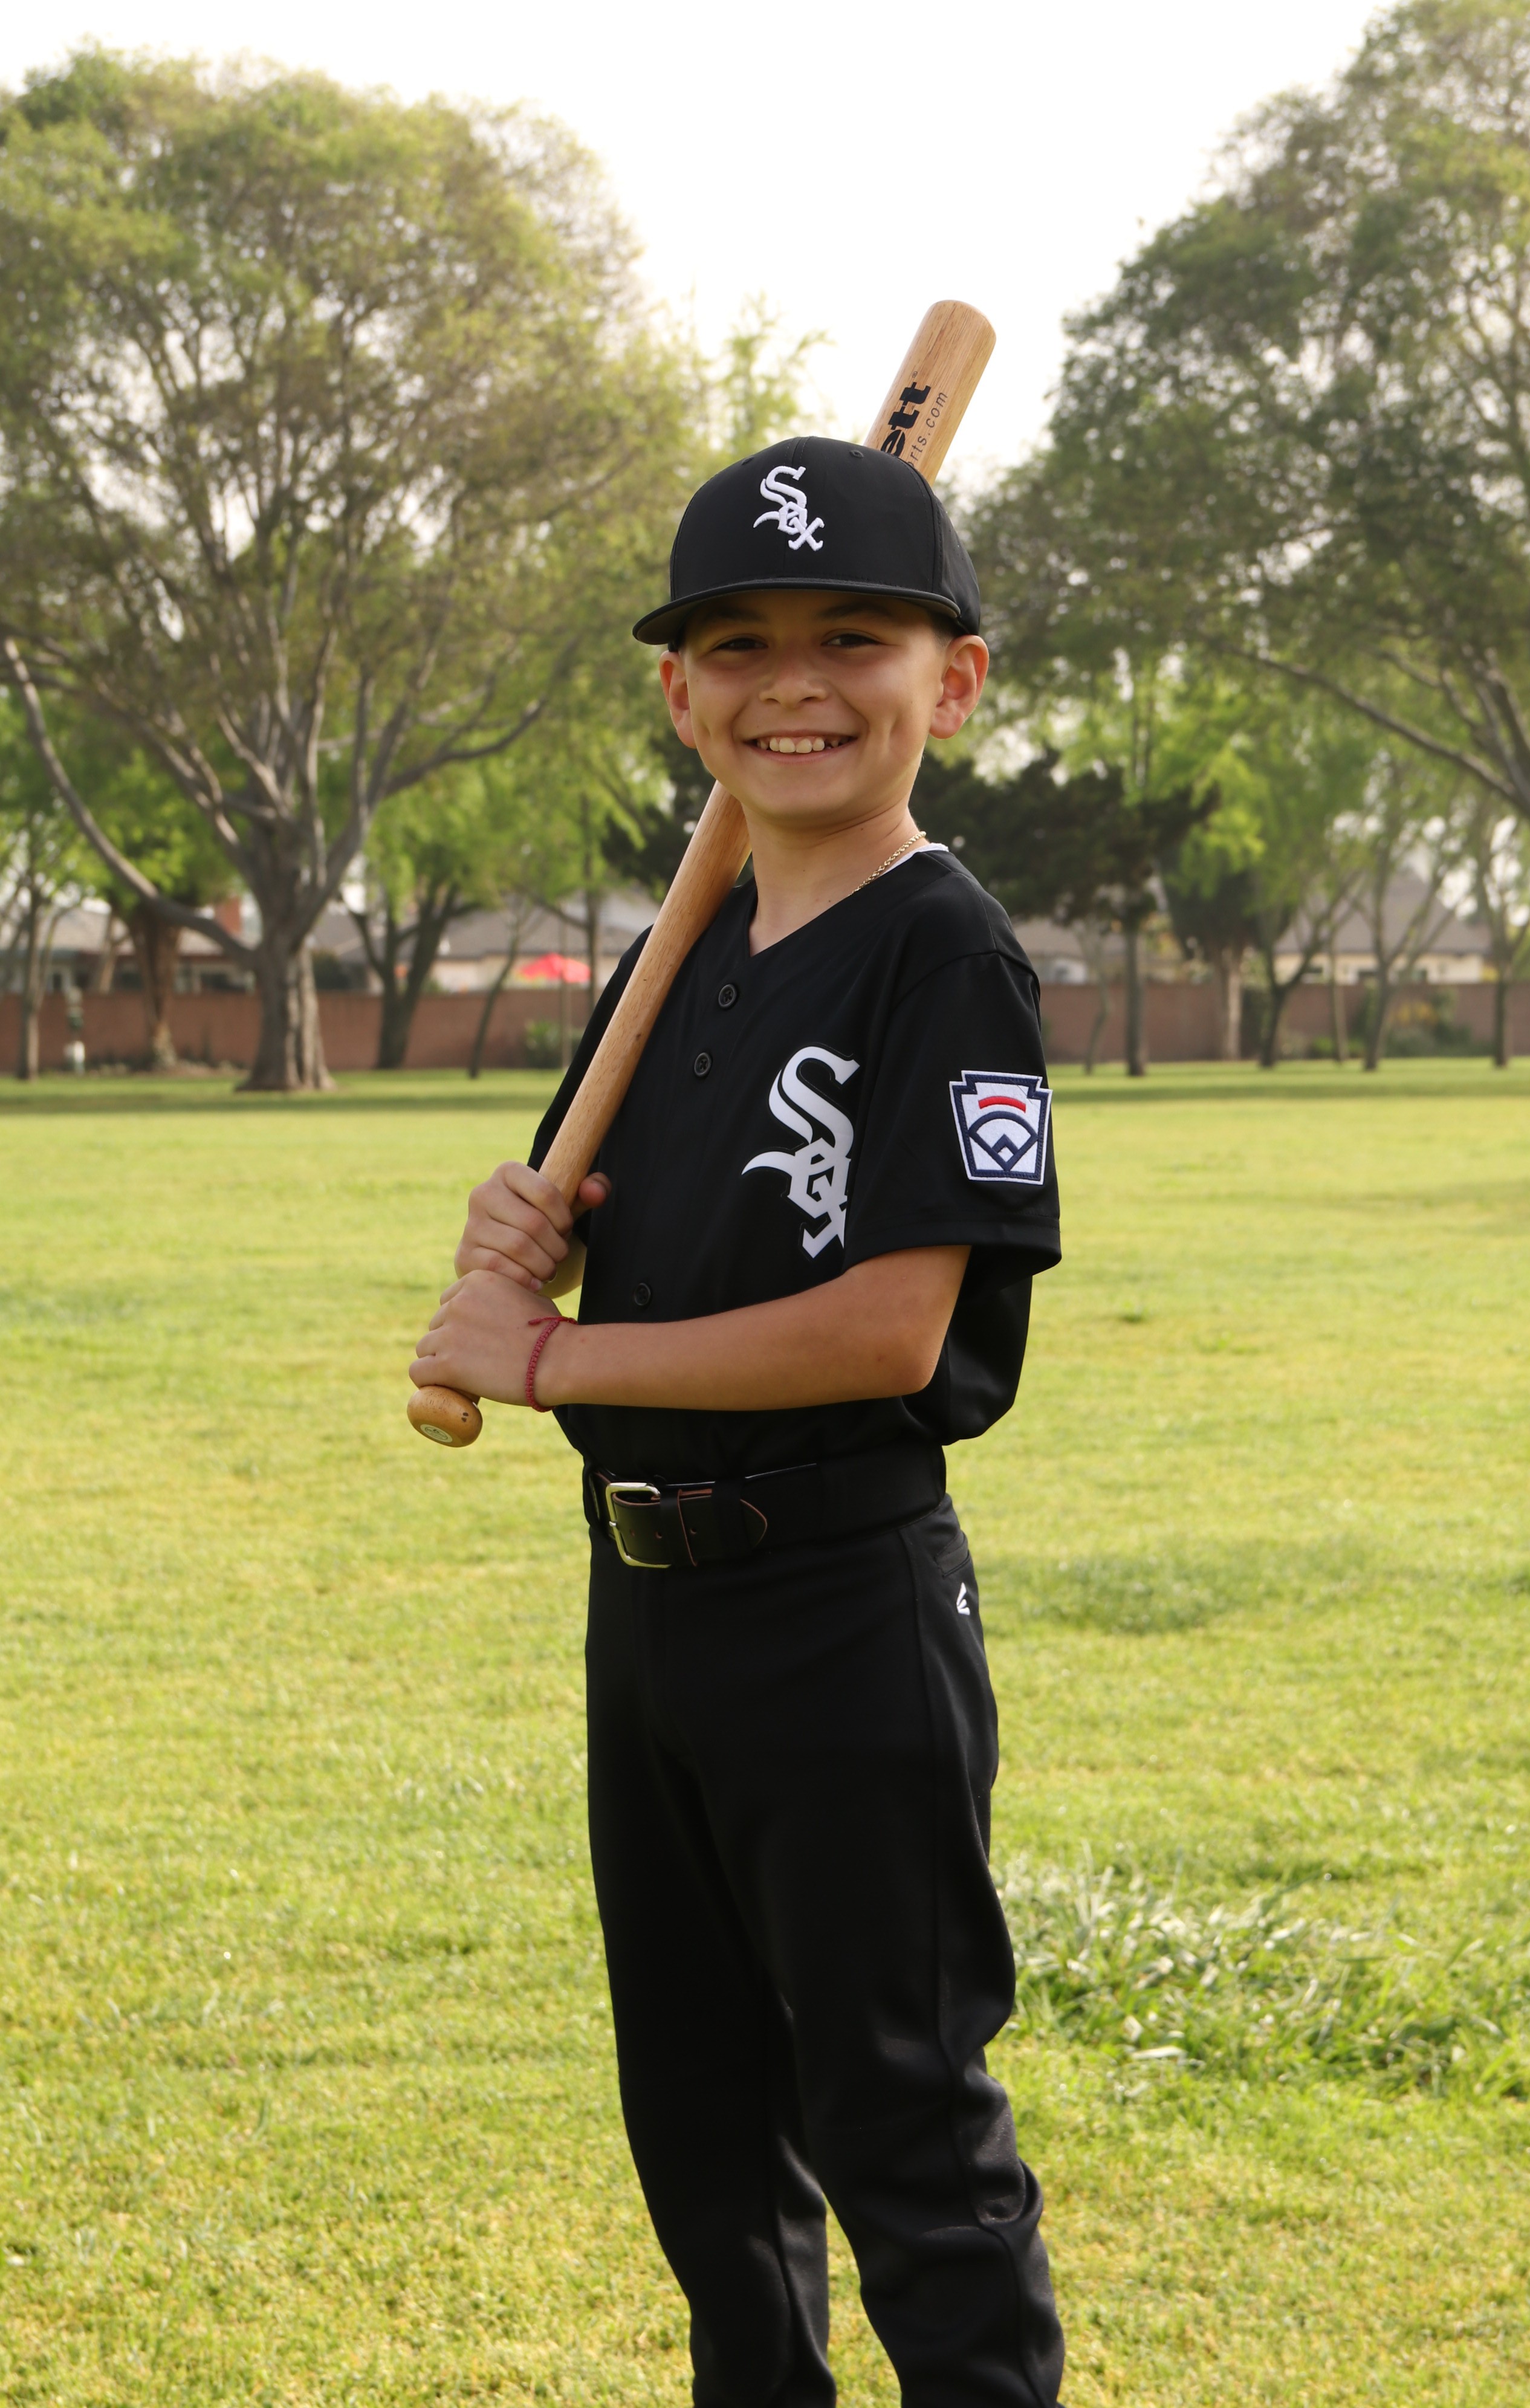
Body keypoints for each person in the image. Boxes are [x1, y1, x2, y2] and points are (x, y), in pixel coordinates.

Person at [410, 436, 1065, 2408]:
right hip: (651, 1611)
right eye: (743, 645)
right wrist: (524, 1231)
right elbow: (594, 1221)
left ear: (954, 682)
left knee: (899, 2122)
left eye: (854, 637)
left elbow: (888, 1327)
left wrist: (553, 1363)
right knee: (702, 2127)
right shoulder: (683, 948)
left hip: (840, 1608)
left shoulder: (943, 950)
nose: (795, 683)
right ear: (680, 696)